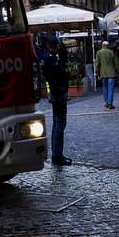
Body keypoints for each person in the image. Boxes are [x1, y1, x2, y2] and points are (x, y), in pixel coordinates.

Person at [37, 34, 72, 166]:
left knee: (58, 123)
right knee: (59, 124)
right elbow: (60, 74)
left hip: (56, 92)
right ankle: (57, 155)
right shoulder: (50, 59)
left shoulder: (45, 56)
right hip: (58, 93)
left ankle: (57, 154)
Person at [95, 40, 119, 110]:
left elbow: (97, 64)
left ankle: (106, 102)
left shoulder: (99, 52)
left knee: (105, 88)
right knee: (111, 88)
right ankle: (110, 103)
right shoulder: (111, 52)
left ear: (102, 45)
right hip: (111, 73)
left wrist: (97, 72)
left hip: (103, 73)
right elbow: (117, 64)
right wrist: (116, 71)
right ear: (108, 46)